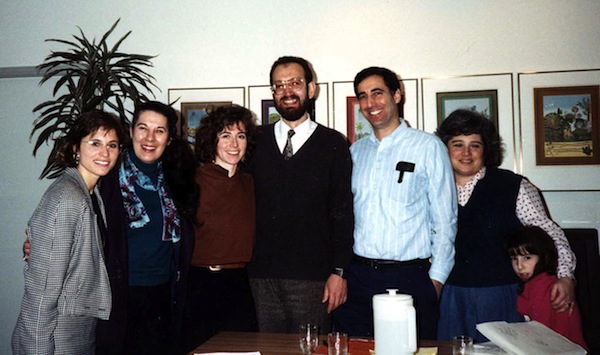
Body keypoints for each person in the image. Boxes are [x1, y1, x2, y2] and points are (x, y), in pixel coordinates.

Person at [333, 66, 458, 340]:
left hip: (410, 277)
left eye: (377, 93)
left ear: (397, 95)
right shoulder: (355, 152)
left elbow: (445, 221)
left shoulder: (427, 147)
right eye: (363, 96)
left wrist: (435, 281)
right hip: (359, 277)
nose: (370, 103)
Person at [435, 109, 576, 342]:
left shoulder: (513, 185)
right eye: (457, 144)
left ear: (486, 149)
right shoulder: (433, 187)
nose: (466, 153)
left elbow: (549, 232)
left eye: (475, 145)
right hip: (450, 298)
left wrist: (566, 276)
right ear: (445, 148)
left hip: (502, 296)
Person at [248, 56, 354, 334]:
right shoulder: (255, 141)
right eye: (279, 85)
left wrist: (339, 272)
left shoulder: (333, 143)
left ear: (311, 89)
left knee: (310, 351)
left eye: (294, 82)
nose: (287, 91)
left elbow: (343, 212)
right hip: (261, 277)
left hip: (314, 279)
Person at [12, 110, 125, 354]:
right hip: (54, 335)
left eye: (112, 145)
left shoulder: (92, 195)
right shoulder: (67, 198)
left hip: (79, 331)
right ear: (76, 148)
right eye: (95, 143)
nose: (104, 153)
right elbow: (42, 291)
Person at [97, 101, 198, 355]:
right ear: (130, 132)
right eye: (143, 128)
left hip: (164, 293)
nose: (150, 138)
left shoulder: (178, 179)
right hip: (119, 296)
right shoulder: (106, 179)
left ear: (170, 139)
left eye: (160, 130)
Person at [182, 104, 258, 351]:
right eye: (225, 135)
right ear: (211, 141)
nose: (234, 144)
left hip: (239, 284)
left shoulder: (249, 183)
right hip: (202, 284)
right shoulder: (194, 180)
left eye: (241, 135)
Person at [505, 226, 588, 350]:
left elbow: (540, 331)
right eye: (514, 259)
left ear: (544, 257)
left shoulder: (543, 285)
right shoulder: (532, 283)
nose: (520, 266)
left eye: (527, 258)